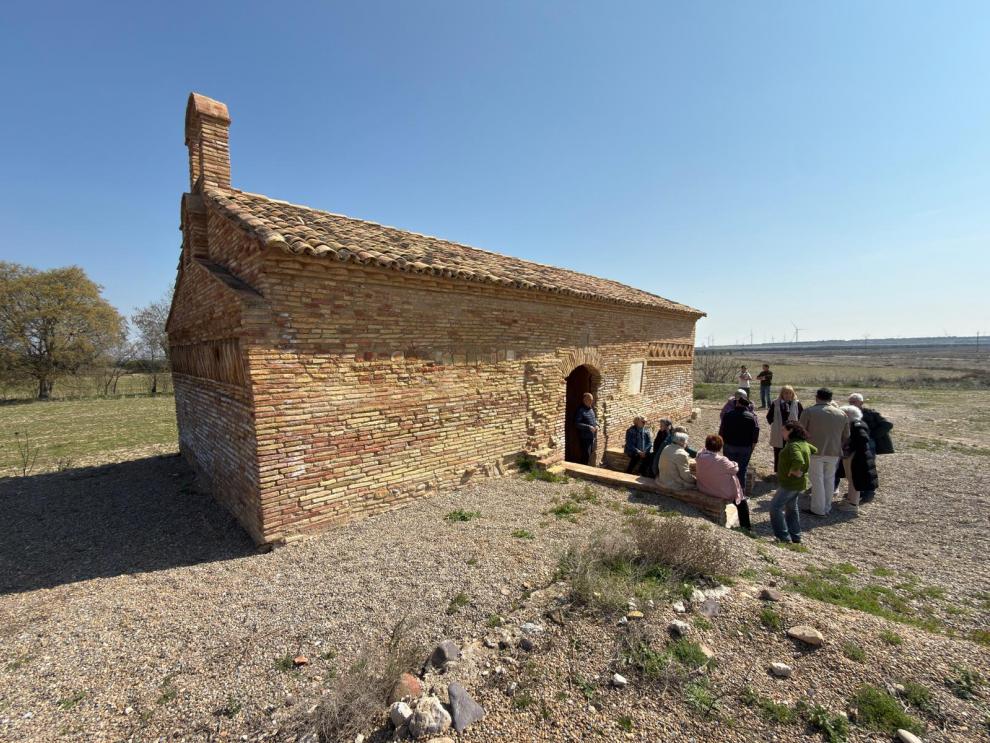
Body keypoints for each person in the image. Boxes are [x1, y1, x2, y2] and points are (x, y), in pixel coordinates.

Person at [799, 388, 850, 516]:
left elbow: (799, 431)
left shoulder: (809, 411)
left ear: (817, 397)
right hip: (834, 452)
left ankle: (818, 509)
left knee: (817, 481)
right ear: (830, 398)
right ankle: (826, 507)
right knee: (829, 480)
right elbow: (846, 435)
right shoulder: (841, 414)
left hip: (814, 451)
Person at [769, 421, 817, 543]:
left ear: (790, 431)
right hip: (799, 483)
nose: (781, 432)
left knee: (775, 507)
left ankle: (783, 537)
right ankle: (795, 536)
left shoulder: (793, 445)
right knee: (791, 507)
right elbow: (814, 449)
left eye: (783, 430)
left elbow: (798, 459)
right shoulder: (803, 443)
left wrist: (795, 470)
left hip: (790, 483)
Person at [695, 434, 750, 530]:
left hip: (704, 487)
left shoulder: (700, 456)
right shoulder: (722, 461)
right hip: (720, 492)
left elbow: (701, 450)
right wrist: (734, 463)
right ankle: (746, 528)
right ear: (720, 447)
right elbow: (735, 469)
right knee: (742, 503)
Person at [835, 405, 878, 512]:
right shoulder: (853, 424)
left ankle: (853, 504)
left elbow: (863, 438)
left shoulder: (857, 424)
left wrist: (850, 447)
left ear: (848, 415)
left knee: (854, 480)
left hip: (856, 457)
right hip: (853, 456)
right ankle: (850, 500)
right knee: (851, 480)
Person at [718, 395, 759, 493]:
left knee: (729, 469)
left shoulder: (727, 415)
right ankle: (740, 494)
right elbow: (755, 435)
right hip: (745, 448)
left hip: (729, 446)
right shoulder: (752, 417)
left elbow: (721, 432)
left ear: (737, 403)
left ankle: (728, 491)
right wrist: (751, 448)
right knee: (742, 470)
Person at [767, 385, 803, 471]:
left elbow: (801, 417)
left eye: (790, 393)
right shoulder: (775, 403)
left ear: (792, 394)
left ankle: (789, 471)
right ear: (782, 394)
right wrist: (776, 424)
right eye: (785, 393)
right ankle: (778, 471)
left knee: (791, 451)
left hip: (792, 432)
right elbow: (769, 416)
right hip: (779, 432)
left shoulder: (797, 404)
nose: (788, 395)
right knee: (778, 452)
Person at [574, 392, 598, 466]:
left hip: (591, 436)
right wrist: (589, 427)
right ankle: (582, 470)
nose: (591, 401)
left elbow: (594, 420)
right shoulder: (580, 410)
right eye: (590, 400)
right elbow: (577, 424)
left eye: (592, 400)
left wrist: (597, 425)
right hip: (584, 437)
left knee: (589, 453)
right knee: (585, 454)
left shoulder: (591, 409)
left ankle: (585, 468)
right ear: (584, 400)